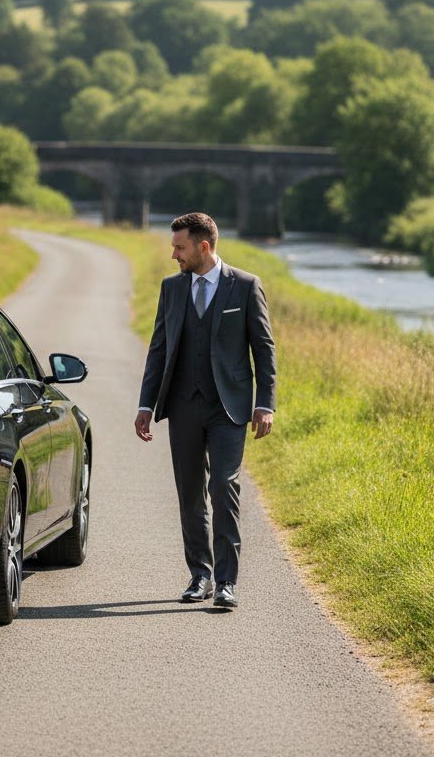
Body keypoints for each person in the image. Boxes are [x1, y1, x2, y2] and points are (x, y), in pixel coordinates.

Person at [134, 212, 276, 610]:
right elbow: (159, 348)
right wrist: (146, 405)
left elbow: (263, 350)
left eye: (179, 247)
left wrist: (265, 404)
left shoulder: (246, 287)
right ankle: (201, 575)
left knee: (223, 487)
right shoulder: (171, 288)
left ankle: (227, 582)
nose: (173, 255)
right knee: (191, 492)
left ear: (204, 246)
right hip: (182, 406)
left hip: (229, 409)